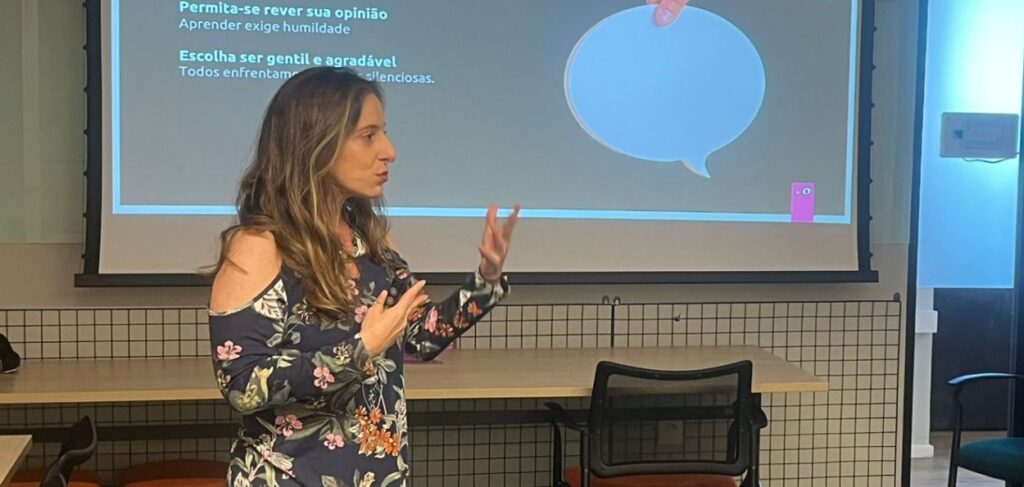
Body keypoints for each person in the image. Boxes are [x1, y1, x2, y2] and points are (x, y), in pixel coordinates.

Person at [206, 66, 519, 487]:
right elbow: (242, 385)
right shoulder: (260, 244)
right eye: (369, 135)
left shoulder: (367, 241)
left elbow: (419, 338)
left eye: (383, 133)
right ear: (315, 144)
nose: (389, 151)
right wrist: (361, 349)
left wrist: (485, 280)